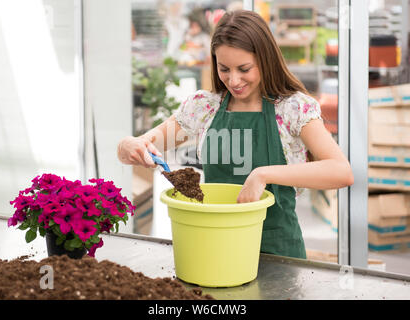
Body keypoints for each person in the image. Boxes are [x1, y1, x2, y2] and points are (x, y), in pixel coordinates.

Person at [117, 10, 354, 259]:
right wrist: (128, 145)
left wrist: (263, 174)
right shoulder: (204, 107)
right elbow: (148, 143)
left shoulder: (293, 108)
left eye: (244, 68)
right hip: (215, 246)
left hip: (276, 253)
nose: (234, 79)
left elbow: (341, 172)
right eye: (224, 69)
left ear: (265, 59)